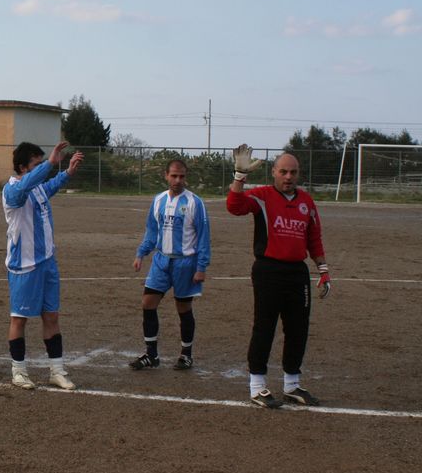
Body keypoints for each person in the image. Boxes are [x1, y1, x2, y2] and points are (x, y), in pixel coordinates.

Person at [227, 145, 330, 409]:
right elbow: (234, 206)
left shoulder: (306, 201)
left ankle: (292, 385)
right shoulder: (262, 196)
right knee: (265, 327)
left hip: (297, 273)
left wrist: (323, 269)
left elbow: (314, 238)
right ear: (274, 172)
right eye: (283, 171)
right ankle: (257, 387)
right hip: (268, 271)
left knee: (298, 329)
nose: (288, 177)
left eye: (293, 172)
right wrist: (239, 176)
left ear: (298, 174)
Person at [2, 141, 83, 390]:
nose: (42, 169)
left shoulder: (37, 188)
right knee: (20, 319)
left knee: (51, 316)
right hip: (24, 265)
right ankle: (18, 371)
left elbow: (49, 186)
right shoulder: (12, 190)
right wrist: (50, 164)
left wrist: (67, 172)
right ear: (22, 167)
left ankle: (56, 371)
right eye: (36, 165)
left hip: (47, 262)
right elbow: (25, 187)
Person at [130, 159, 211, 371]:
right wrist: (141, 253)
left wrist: (201, 267)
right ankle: (151, 355)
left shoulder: (195, 202)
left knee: (183, 308)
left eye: (181, 176)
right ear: (166, 175)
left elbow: (203, 237)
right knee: (148, 303)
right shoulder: (158, 200)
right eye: (174, 176)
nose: (177, 180)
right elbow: (152, 231)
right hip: (161, 260)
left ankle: (186, 355)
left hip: (185, 263)